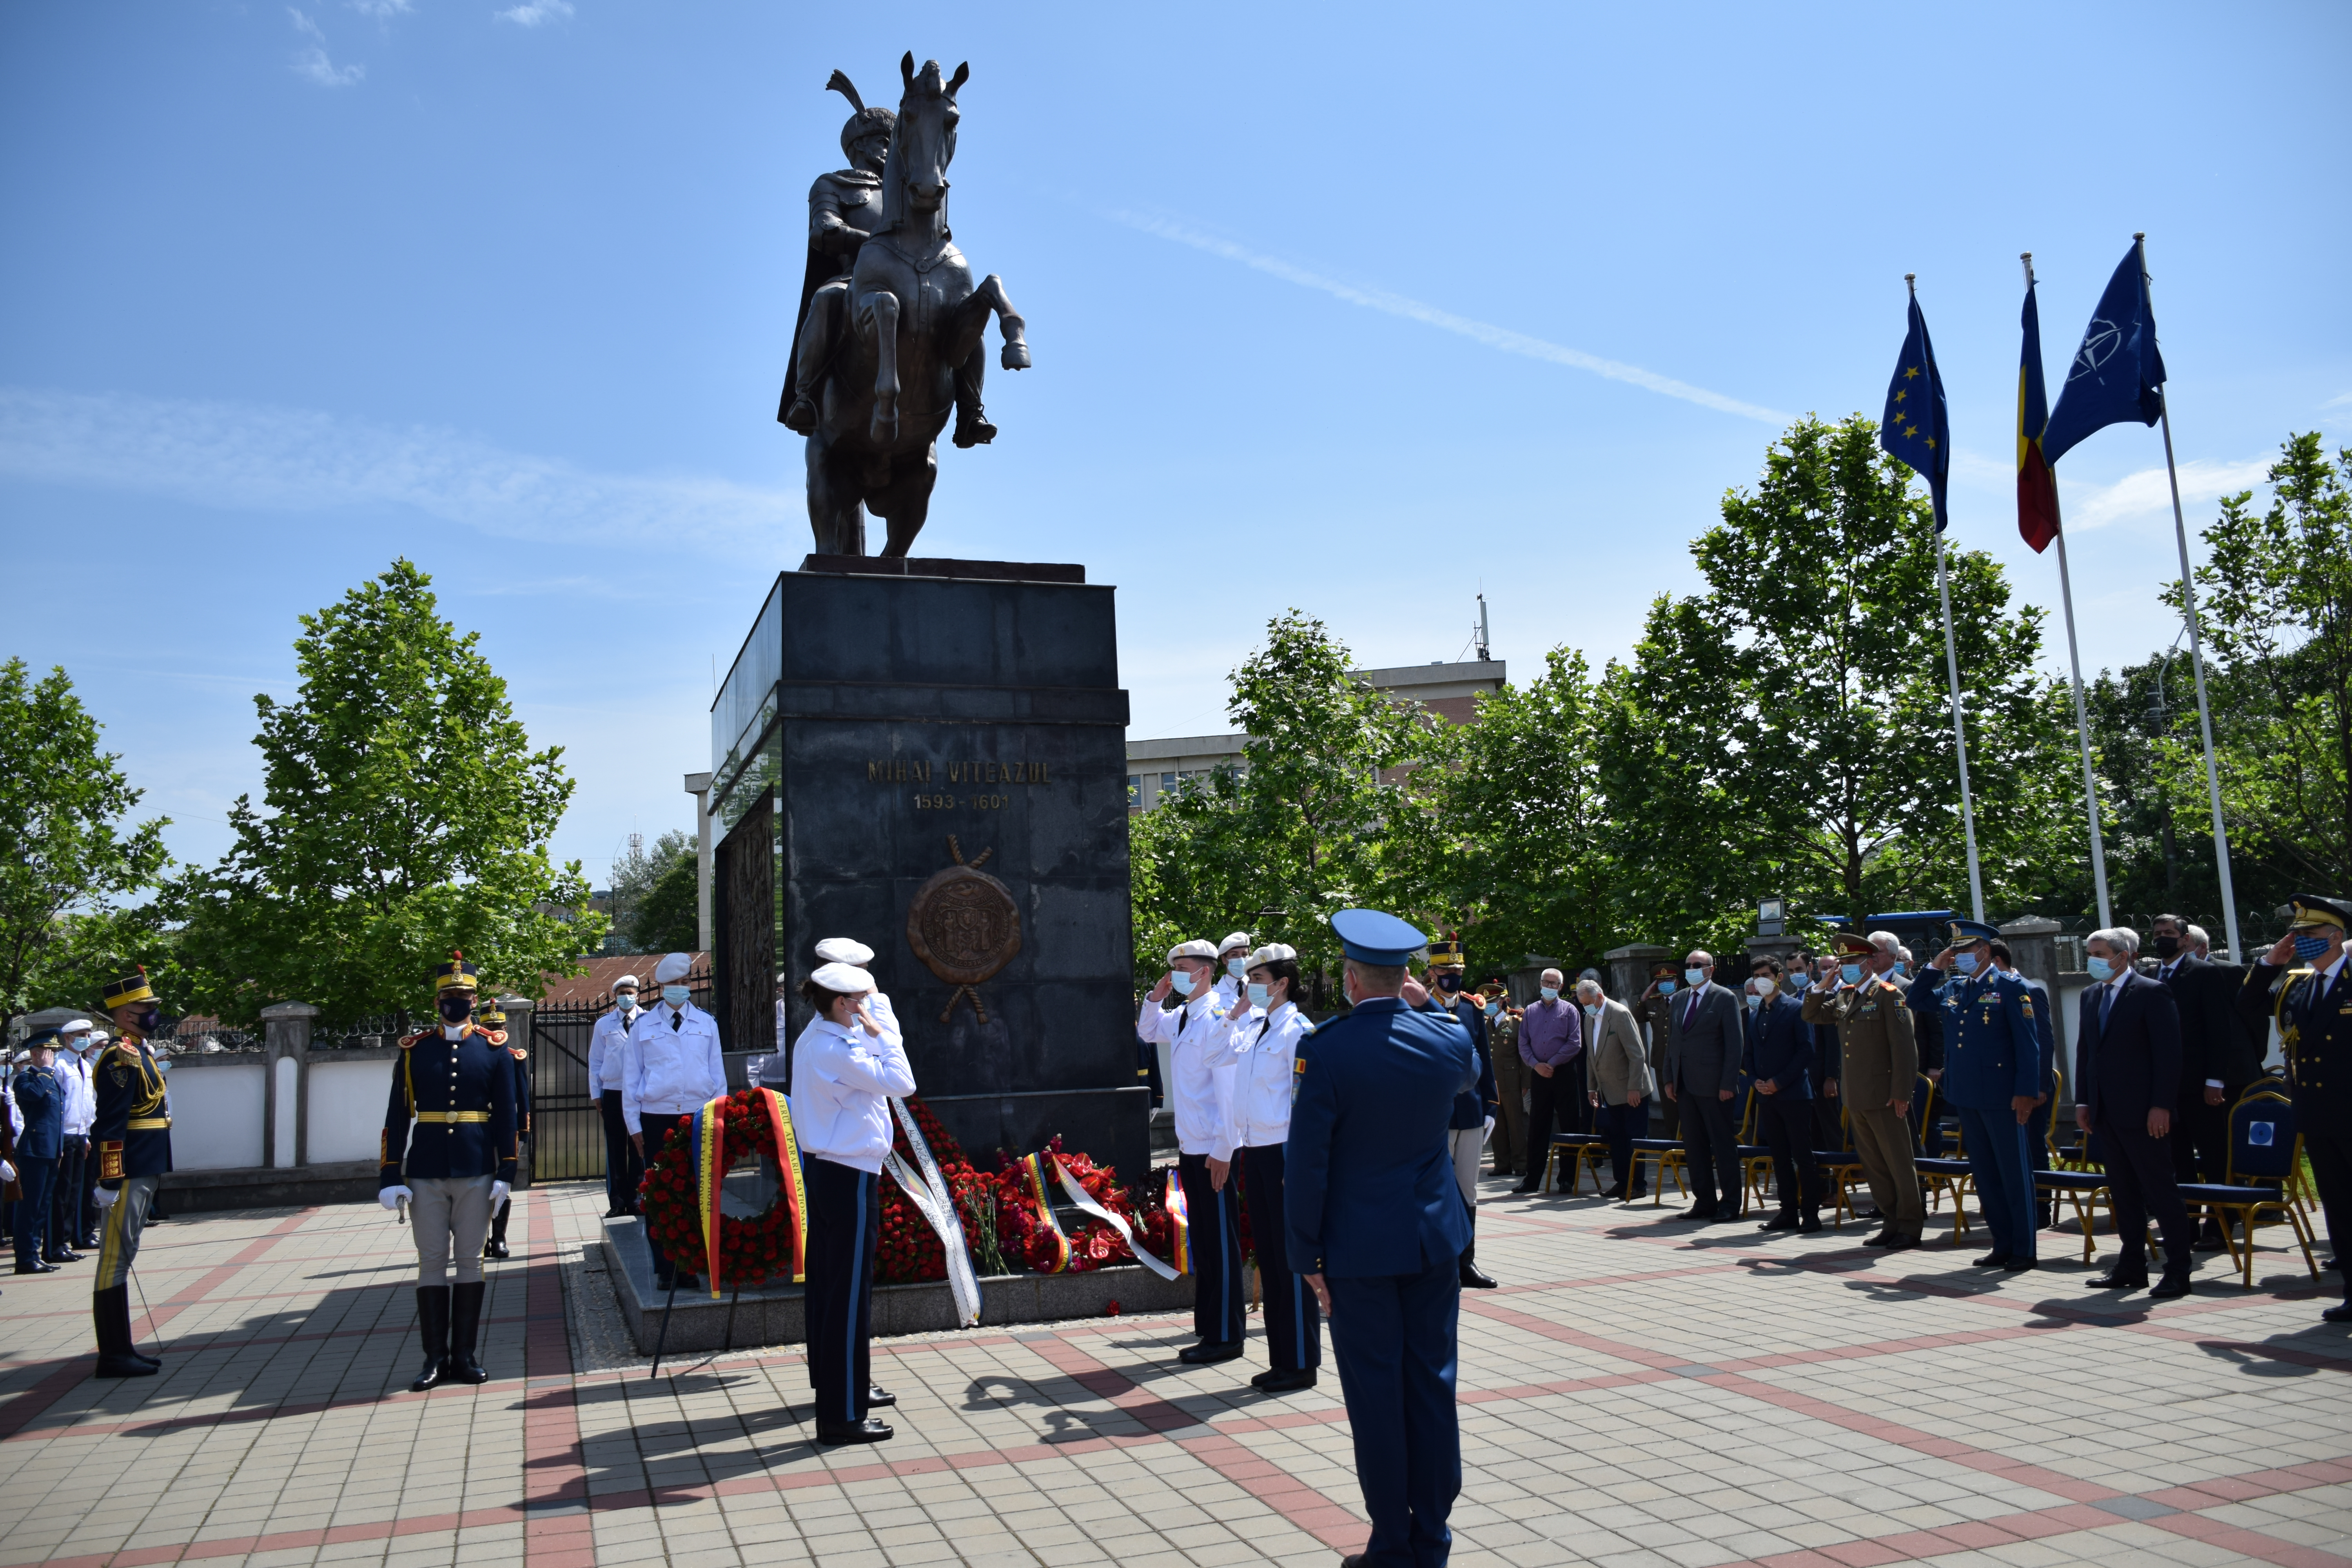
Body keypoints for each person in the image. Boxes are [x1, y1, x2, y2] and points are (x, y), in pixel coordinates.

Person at [1284, 909, 1477, 1568]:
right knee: (1432, 1386)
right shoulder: (1446, 1040)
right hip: (1432, 1243)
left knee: (1376, 1395)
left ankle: (1392, 1543)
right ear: (1404, 978)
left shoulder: (1326, 1048)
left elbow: (1306, 1163)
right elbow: (1471, 1073)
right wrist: (1424, 1006)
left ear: (1350, 979)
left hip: (1358, 1251)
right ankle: (1434, 1538)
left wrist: (1305, 1252)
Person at [788, 957, 916, 1443]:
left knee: (831, 1288)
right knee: (847, 1298)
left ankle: (841, 1390)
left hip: (832, 1170)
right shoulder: (837, 1048)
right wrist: (884, 1032)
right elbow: (903, 1083)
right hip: (847, 1175)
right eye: (860, 1000)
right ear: (842, 1003)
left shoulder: (820, 1037)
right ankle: (842, 1415)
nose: (867, 1007)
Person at [378, 953, 518, 1391]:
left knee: (471, 1261)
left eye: (463, 995)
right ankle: (435, 1358)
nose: (455, 1001)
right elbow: (398, 1115)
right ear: (437, 1001)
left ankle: (466, 1355)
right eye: (449, 996)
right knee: (433, 1260)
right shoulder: (416, 1050)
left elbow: (507, 1116)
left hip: (477, 1168)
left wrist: (507, 1170)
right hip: (426, 1169)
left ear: (476, 1000)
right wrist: (389, 1175)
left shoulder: (494, 1050)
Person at [2239, 896, 2352, 1323]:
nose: (2299, 940)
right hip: (2320, 1116)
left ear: (2336, 936)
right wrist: (2270, 962)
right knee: (2340, 1209)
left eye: (2308, 934)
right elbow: (2247, 1006)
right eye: (2297, 933)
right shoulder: (2300, 984)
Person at [1138, 938, 1248, 1360]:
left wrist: (1223, 1150)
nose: (1176, 975)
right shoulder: (1183, 1015)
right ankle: (1210, 1326)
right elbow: (1148, 1031)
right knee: (1204, 1241)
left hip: (1215, 1151)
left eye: (1181, 968)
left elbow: (1227, 1094)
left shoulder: (1217, 1019)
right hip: (1193, 1147)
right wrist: (1155, 998)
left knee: (1221, 1243)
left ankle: (1227, 1336)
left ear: (1203, 971)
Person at [1913, 920, 2041, 1271]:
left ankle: (2024, 1249)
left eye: (1964, 951)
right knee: (1985, 1173)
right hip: (1967, 1094)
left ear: (1984, 951)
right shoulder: (1955, 987)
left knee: (2013, 1173)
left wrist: (2026, 1093)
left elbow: (2028, 1048)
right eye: (1955, 952)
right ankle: (2001, 1244)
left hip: (2002, 1096)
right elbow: (1917, 999)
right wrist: (1933, 967)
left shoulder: (2011, 988)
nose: (1958, 958)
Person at [1223, 943, 1321, 1392]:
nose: (1251, 987)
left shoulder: (1296, 1031)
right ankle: (1282, 1357)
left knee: (1291, 1261)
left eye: (1258, 980)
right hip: (1256, 1149)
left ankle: (1301, 1362)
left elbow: (1305, 1102)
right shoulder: (1260, 1027)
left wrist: (1298, 1161)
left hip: (1284, 1152)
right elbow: (1219, 1054)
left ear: (1282, 983)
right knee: (1270, 1256)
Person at [2075, 927, 2192, 1297]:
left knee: (2160, 1191)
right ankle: (2131, 1265)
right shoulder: (2091, 994)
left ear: (2122, 956)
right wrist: (2083, 1101)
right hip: (2106, 1112)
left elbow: (2169, 1056)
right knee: (2123, 1192)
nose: (2092, 960)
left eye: (2099, 953)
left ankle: (2178, 1269)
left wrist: (2162, 1106)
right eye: (2090, 953)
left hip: (2145, 1113)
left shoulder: (2152, 992)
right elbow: (2086, 1052)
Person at [1804, 933, 1922, 1248]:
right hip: (1855, 1094)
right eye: (1842, 962)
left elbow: (1905, 1051)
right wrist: (1820, 985)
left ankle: (1910, 1225)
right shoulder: (1845, 995)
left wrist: (1902, 1093)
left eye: (1851, 962)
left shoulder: (1889, 995)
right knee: (1874, 1165)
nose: (1845, 967)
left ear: (1870, 962)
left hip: (1885, 1095)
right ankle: (1891, 1220)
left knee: (1898, 1162)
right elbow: (1811, 1014)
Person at [623, 952, 727, 1294]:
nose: (681, 989)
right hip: (656, 1117)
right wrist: (634, 1127)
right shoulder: (643, 1027)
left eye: (686, 983)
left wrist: (718, 1117)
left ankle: (692, 1265)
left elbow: (718, 1076)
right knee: (660, 1195)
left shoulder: (706, 1023)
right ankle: (666, 1268)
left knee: (696, 1193)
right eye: (675, 984)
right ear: (662, 987)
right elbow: (630, 1079)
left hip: (697, 1115)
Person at [90, 968, 175, 1378]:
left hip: (146, 1164)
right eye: (144, 1006)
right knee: (115, 1258)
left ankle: (123, 1348)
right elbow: (110, 1123)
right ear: (125, 1013)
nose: (151, 1012)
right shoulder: (119, 1056)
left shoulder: (139, 1050)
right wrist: (109, 1180)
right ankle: (113, 1354)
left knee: (124, 1254)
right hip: (129, 1169)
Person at [2152, 914, 2256, 1242]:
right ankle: (2186, 1225)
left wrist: (2216, 1080)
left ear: (2185, 939)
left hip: (2200, 1085)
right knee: (2177, 1158)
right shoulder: (2149, 976)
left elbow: (2218, 1031)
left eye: (2169, 933)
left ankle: (2220, 1224)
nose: (2162, 938)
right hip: (2167, 1087)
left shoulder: (2204, 973)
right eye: (2157, 934)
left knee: (2214, 1156)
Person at [1416, 935, 1499, 1288]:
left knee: (1467, 1190)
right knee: (1434, 1191)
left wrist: (1492, 1105)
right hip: (1433, 1115)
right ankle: (1436, 1263)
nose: (1452, 975)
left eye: (1457, 970)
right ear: (1432, 972)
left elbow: (1485, 1057)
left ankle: (1467, 1263)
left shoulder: (1472, 1008)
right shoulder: (1418, 1008)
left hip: (1469, 1113)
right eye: (1445, 970)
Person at [1662, 950, 1746, 1221]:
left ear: (1711, 969)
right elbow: (1673, 1042)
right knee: (1695, 1147)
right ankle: (1704, 1201)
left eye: (1698, 965)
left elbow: (1735, 1045)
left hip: (1715, 1087)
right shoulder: (1679, 999)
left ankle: (1731, 1203)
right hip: (1685, 1085)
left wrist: (1728, 1083)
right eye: (1688, 965)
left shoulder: (1724, 998)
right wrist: (1669, 1078)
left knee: (1722, 1147)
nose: (1692, 969)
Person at [1743, 959, 1819, 1233]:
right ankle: (1788, 1212)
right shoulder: (1756, 1013)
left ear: (1779, 978)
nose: (1761, 980)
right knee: (1780, 1157)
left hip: (1794, 1095)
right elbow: (1749, 1055)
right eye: (1756, 976)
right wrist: (1756, 1082)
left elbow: (1806, 1051)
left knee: (1803, 1156)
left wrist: (1778, 1082)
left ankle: (1811, 1214)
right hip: (1767, 1096)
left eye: (1766, 975)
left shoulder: (1797, 1009)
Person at [1511, 968, 1583, 1196]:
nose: (1549, 986)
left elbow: (1575, 1043)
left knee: (1569, 1126)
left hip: (1562, 1073)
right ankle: (1532, 1180)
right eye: (1546, 982)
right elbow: (1523, 1043)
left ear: (1560, 987)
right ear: (1540, 983)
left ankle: (1566, 1180)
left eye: (1554, 984)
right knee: (1537, 1127)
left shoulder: (1570, 1010)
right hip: (1539, 1075)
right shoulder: (1530, 1011)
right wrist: (1536, 1065)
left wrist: (1551, 1063)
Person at [1582, 977, 1653, 1200]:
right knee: (1618, 1139)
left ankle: (1638, 1185)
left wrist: (1635, 1087)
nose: (1585, 1007)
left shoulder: (1620, 1014)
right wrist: (1591, 1088)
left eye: (1587, 1002)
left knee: (1634, 1138)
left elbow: (1637, 1054)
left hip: (1632, 1090)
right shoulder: (1589, 1018)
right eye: (1582, 1003)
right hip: (1609, 1092)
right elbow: (1591, 1056)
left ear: (1600, 997)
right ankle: (1622, 1182)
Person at [588, 973, 643, 1218]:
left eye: (630, 993)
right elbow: (595, 1061)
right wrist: (595, 1094)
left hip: (640, 1093)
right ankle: (618, 1201)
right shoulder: (604, 1024)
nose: (627, 997)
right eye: (622, 994)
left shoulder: (648, 1020)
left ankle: (637, 1199)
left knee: (639, 1146)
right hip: (612, 1092)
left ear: (638, 995)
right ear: (615, 997)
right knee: (616, 1147)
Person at [11, 1033, 65, 1274]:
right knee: (31, 1207)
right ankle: (24, 1258)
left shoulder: (51, 1079)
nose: (53, 1057)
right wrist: (44, 1070)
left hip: (51, 1149)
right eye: (49, 1052)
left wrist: (60, 1147)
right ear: (36, 1054)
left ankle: (34, 1253)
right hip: (34, 1150)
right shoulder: (26, 1079)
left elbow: (57, 1117)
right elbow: (32, 1095)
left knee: (43, 1206)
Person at [480, 1000, 530, 1261]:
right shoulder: (472, 1055)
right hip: (477, 1130)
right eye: (488, 1026)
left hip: (504, 1129)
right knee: (476, 1186)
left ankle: (498, 1238)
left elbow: (522, 1097)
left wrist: (523, 1130)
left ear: (506, 1027)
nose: (493, 1030)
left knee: (502, 1187)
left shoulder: (513, 1057)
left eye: (498, 1026)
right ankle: (479, 1238)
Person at [1634, 962, 1684, 1139]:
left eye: (1668, 980)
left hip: (1682, 1062)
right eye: (1660, 981)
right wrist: (1646, 994)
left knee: (1686, 1106)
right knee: (1669, 1108)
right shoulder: (1653, 1003)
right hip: (1661, 1062)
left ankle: (1690, 1145)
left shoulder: (1684, 1000)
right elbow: (1637, 1018)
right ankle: (1674, 1144)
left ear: (1676, 982)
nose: (1665, 984)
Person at [1481, 982, 1524, 1181]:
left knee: (1516, 1125)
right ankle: (1502, 1164)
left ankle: (1521, 1163)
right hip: (1493, 1084)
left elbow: (1523, 1056)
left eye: (1493, 1002)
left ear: (1502, 1001)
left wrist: (1526, 1083)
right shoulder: (1484, 1024)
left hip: (1512, 1081)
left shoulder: (1516, 1023)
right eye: (1487, 1003)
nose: (1490, 1006)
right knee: (1496, 1126)